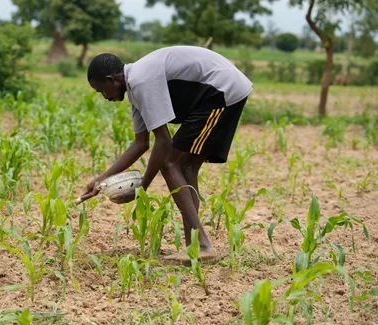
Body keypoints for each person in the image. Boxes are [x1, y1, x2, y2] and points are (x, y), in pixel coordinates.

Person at [77, 46, 253, 262]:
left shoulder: (141, 81)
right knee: (185, 168)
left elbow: (163, 141)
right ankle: (194, 247)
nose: (104, 96)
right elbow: (140, 144)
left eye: (100, 90)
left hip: (220, 89)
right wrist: (100, 180)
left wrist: (142, 186)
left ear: (110, 79)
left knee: (169, 164)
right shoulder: (136, 87)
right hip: (215, 91)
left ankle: (203, 245)